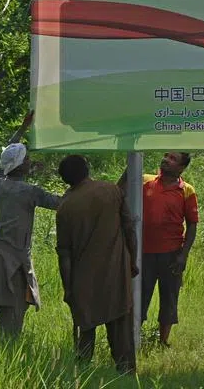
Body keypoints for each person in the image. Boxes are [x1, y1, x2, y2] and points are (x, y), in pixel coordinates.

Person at [56, 155, 138, 375]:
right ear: (87, 169)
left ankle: (81, 373)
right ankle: (126, 372)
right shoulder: (111, 191)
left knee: (86, 328)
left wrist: (68, 287)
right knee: (121, 327)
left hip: (83, 279)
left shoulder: (65, 206)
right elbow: (129, 228)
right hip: (115, 272)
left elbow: (64, 253)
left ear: (65, 179)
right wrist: (133, 260)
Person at [0, 143, 61, 341]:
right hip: (15, 259)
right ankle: (2, 351)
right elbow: (60, 203)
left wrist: (22, 128)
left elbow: (3, 161)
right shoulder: (29, 191)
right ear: (19, 165)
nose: (30, 162)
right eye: (26, 159)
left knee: (6, 309)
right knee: (14, 311)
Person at [139, 152, 198, 347]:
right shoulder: (145, 182)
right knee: (139, 296)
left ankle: (162, 341)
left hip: (171, 255)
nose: (166, 159)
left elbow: (192, 225)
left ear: (181, 168)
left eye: (172, 159)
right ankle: (133, 337)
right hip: (143, 253)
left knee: (169, 298)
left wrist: (183, 255)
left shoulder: (187, 191)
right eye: (166, 156)